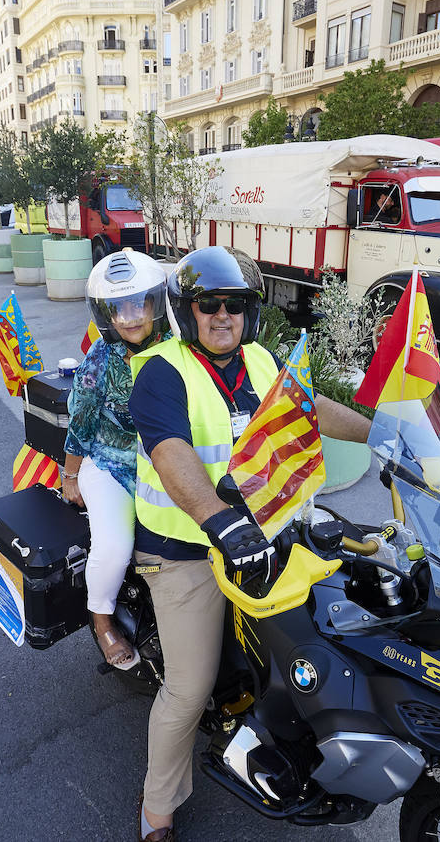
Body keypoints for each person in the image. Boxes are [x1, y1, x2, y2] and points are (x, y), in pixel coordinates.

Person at [128, 246, 372, 842]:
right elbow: (170, 453)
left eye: (233, 306)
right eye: (207, 304)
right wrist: (219, 519)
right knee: (188, 687)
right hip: (186, 549)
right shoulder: (163, 370)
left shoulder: (260, 360)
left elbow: (309, 409)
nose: (221, 316)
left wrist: (385, 434)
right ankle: (156, 811)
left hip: (264, 536)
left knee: (340, 620)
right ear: (186, 311)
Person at [61, 249, 170, 670]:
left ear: (156, 304)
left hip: (163, 465)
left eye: (137, 304)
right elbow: (82, 420)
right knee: (115, 545)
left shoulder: (176, 350)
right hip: (110, 465)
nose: (128, 317)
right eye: (116, 308)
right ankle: (102, 620)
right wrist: (70, 476)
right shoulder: (101, 359)